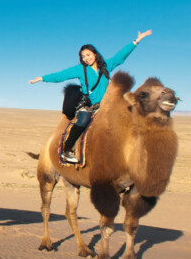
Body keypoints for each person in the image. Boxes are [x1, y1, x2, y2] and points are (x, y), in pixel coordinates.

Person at [29, 29, 152, 163]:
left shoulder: (105, 66)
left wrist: (136, 41)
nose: (86, 58)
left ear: (95, 54)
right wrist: (42, 78)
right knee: (82, 121)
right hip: (88, 105)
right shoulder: (80, 69)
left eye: (88, 54)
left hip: (105, 105)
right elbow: (61, 75)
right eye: (83, 56)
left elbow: (120, 57)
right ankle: (66, 150)